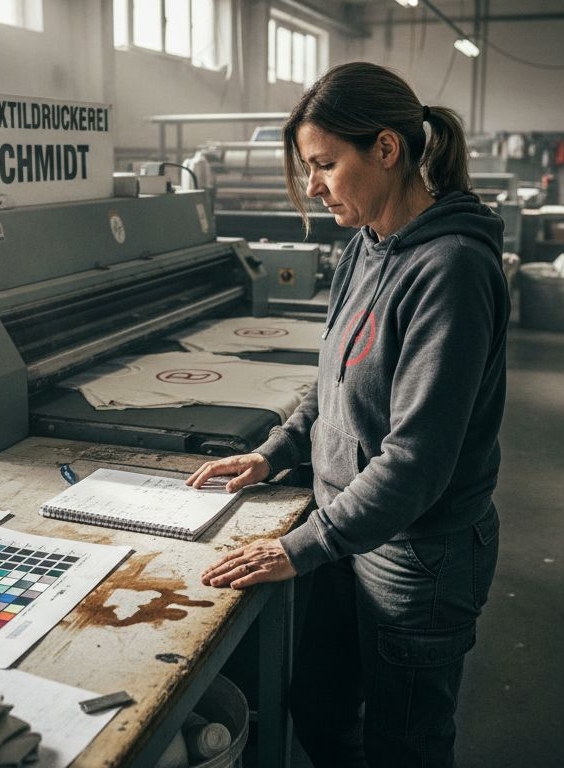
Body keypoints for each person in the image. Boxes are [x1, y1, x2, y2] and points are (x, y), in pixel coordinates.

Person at [186, 62, 508, 767]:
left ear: (387, 150)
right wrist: (275, 453)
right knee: (322, 707)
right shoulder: (366, 246)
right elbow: (332, 384)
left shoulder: (451, 268)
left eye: (326, 164)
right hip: (347, 535)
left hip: (418, 556)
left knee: (406, 742)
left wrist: (296, 547)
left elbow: (417, 461)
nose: (313, 186)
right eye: (309, 168)